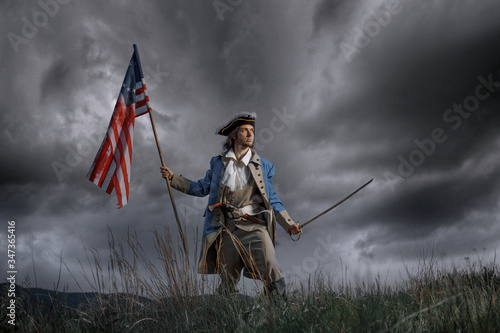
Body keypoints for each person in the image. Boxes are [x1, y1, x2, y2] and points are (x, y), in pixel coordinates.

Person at [161, 113, 301, 297]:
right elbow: (201, 188)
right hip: (226, 228)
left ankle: (279, 317)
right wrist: (173, 179)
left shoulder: (263, 166)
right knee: (227, 282)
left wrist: (289, 224)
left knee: (272, 268)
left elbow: (272, 199)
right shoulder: (218, 163)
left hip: (254, 226)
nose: (250, 134)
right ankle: (228, 323)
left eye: (252, 131)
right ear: (234, 135)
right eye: (245, 130)